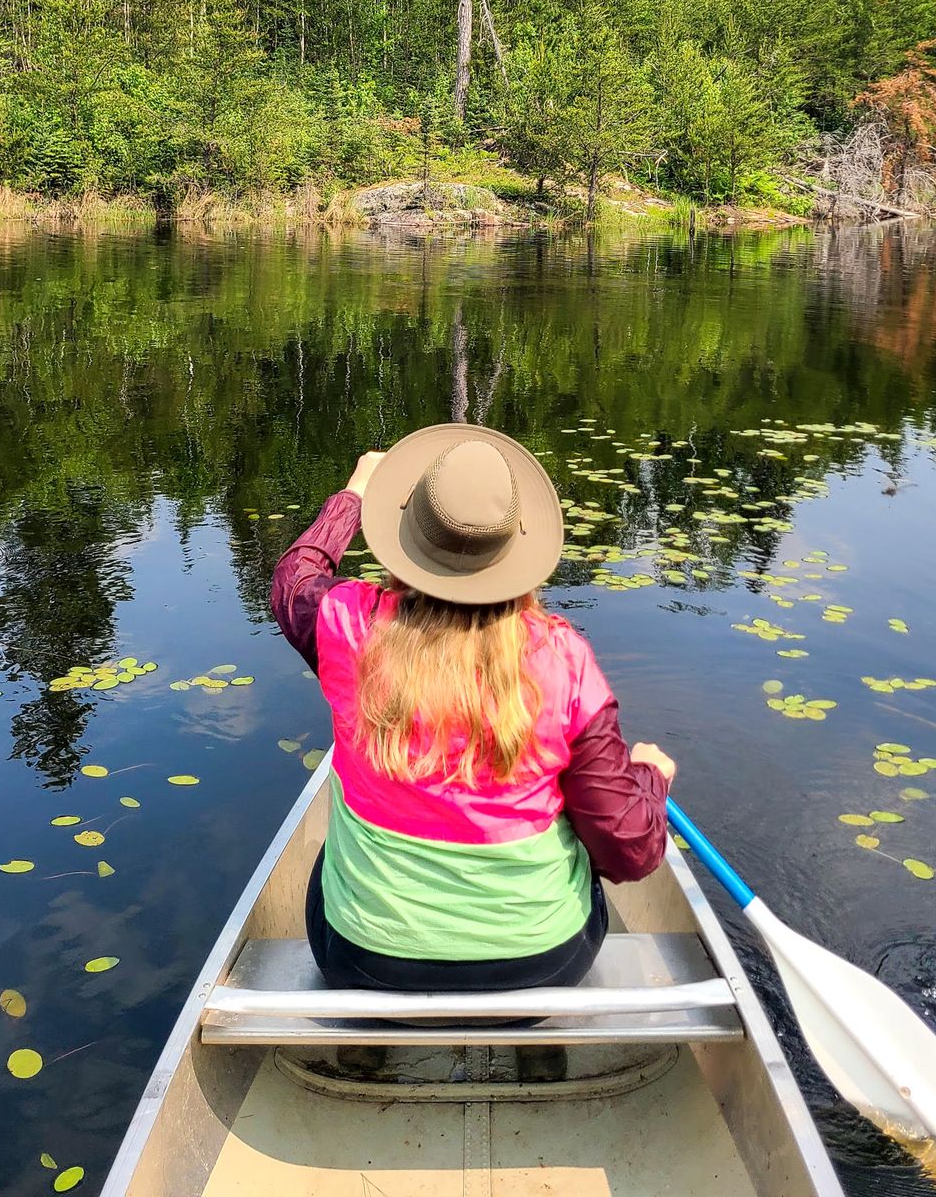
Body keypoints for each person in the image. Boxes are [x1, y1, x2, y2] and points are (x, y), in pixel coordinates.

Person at [270, 423, 677, 994]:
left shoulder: (348, 627)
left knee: (326, 868)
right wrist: (651, 778)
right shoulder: (566, 661)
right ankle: (540, 1047)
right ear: (515, 551)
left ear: (405, 537)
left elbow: (293, 580)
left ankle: (365, 1040)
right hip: (542, 968)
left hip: (365, 964)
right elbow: (628, 851)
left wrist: (354, 494)